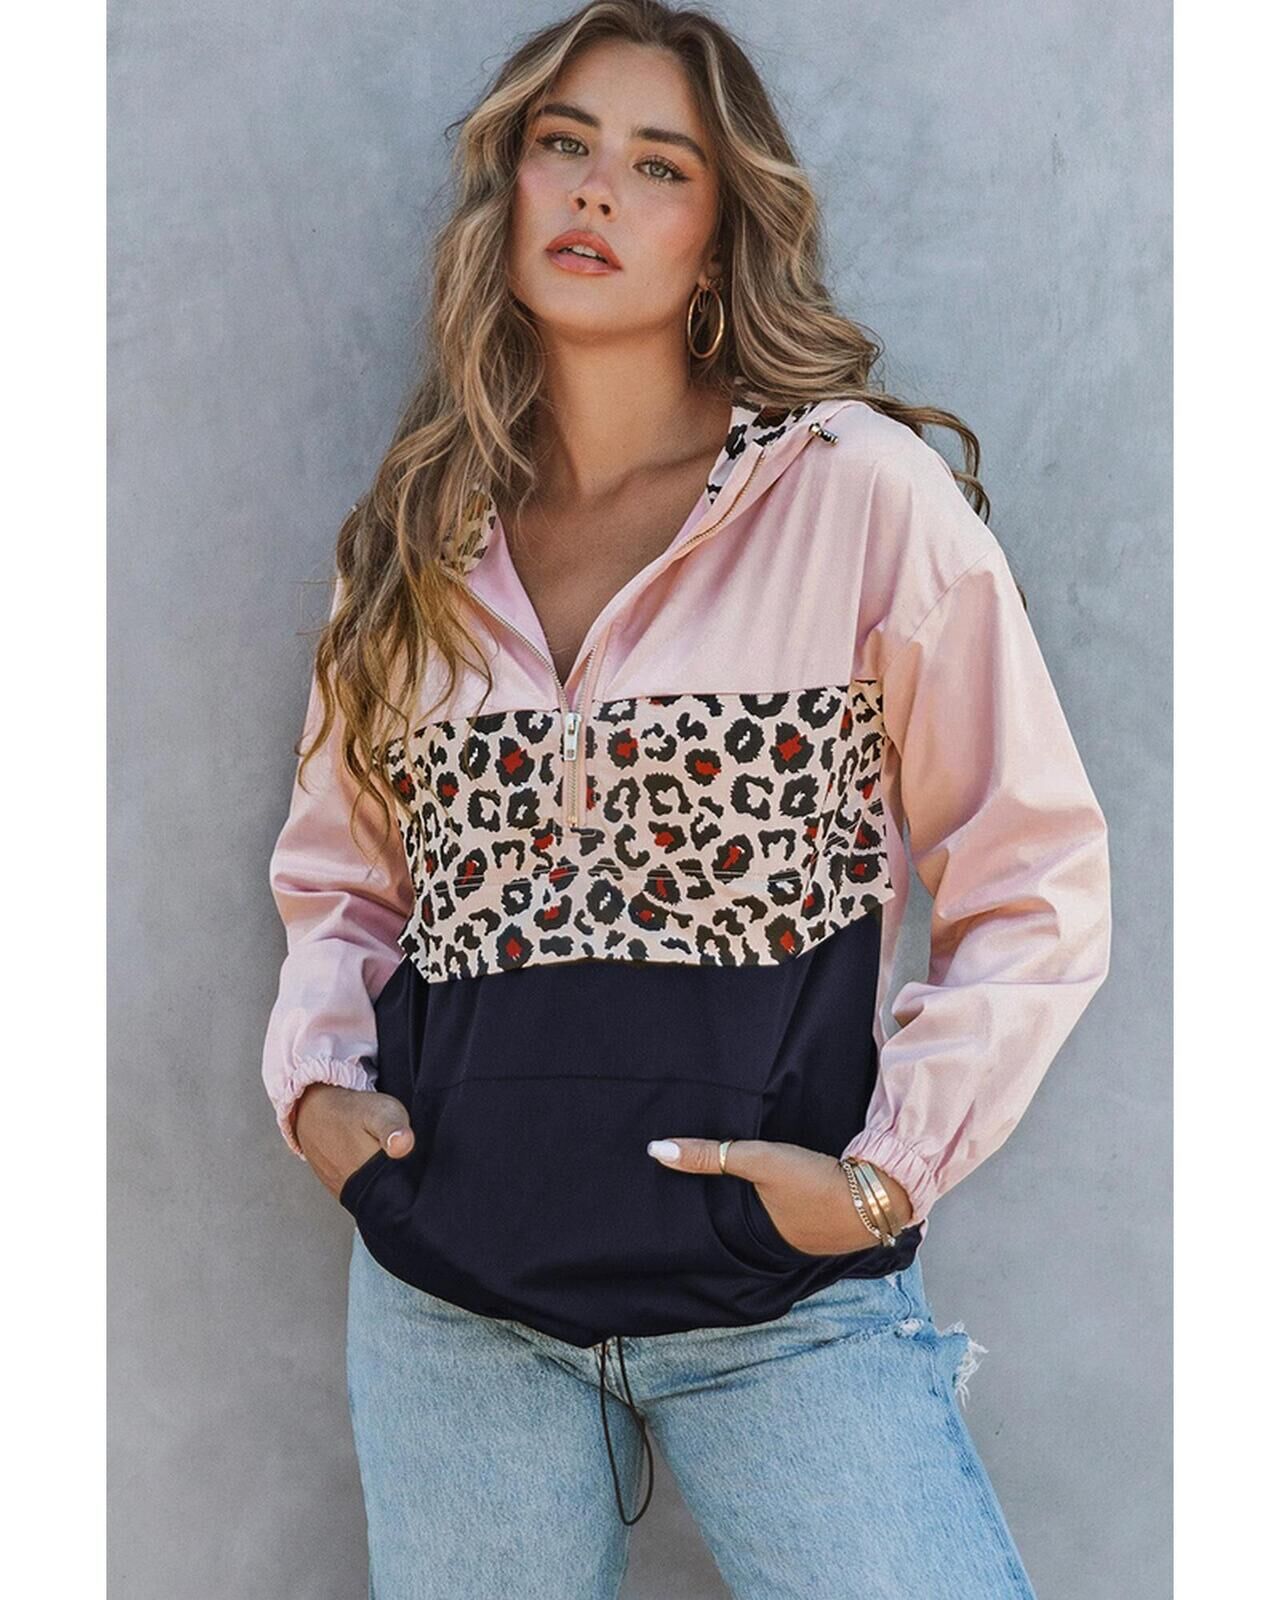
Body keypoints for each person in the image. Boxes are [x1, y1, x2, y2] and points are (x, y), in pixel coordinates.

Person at [260, 3, 1111, 1595]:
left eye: (660, 166)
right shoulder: (416, 537)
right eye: (564, 144)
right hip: (457, 1304)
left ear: (719, 242)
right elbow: (344, 879)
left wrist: (884, 1179)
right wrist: (319, 1094)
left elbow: (1032, 873)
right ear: (510, 187)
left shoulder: (852, 494)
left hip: (779, 1310)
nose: (598, 188)